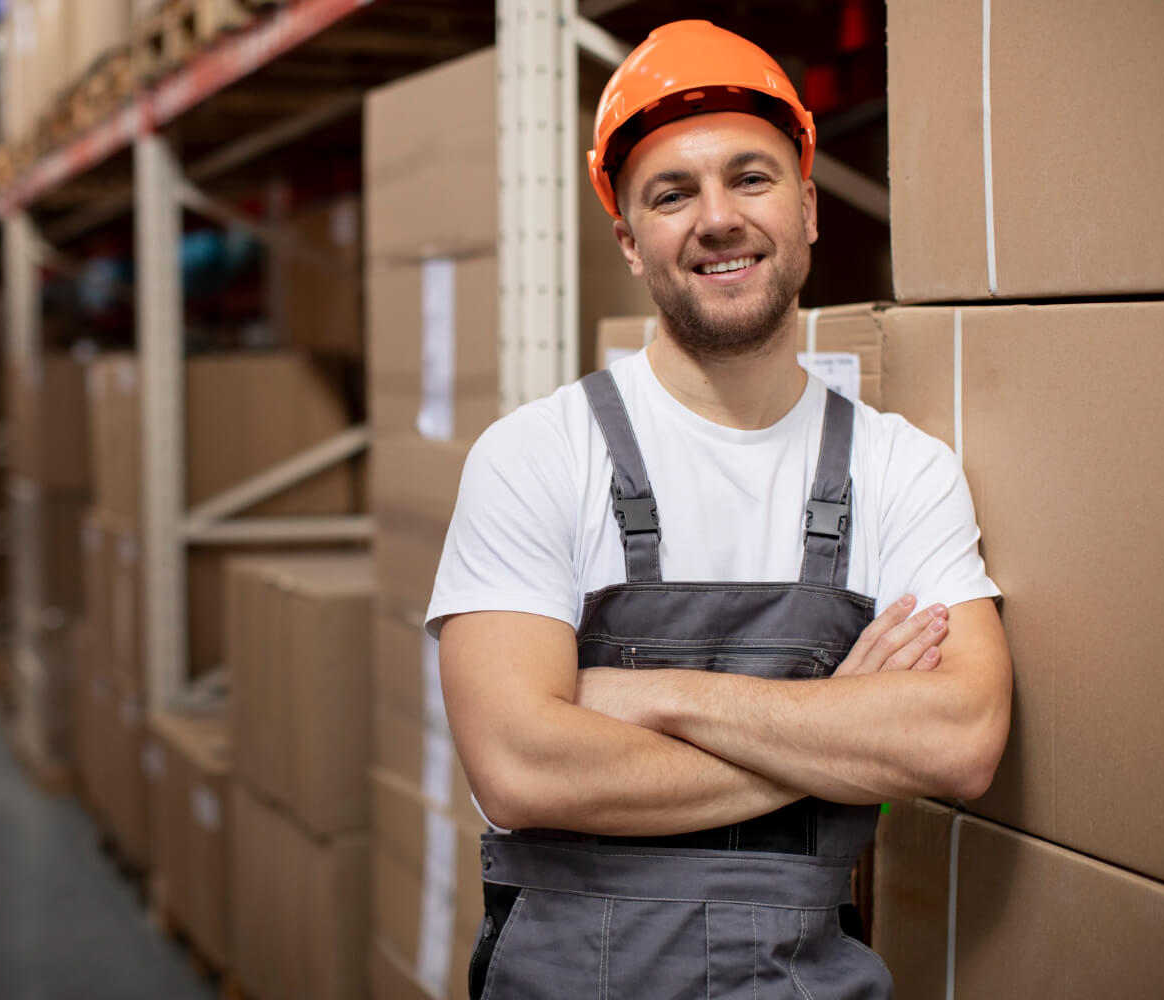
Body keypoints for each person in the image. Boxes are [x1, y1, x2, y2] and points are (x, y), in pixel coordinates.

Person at [425, 19, 1012, 998]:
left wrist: (654, 696)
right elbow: (521, 768)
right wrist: (839, 734)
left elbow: (960, 740)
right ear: (628, 239)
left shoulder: (905, 470)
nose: (717, 218)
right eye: (671, 194)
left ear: (808, 207)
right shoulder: (534, 457)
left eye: (751, 177)